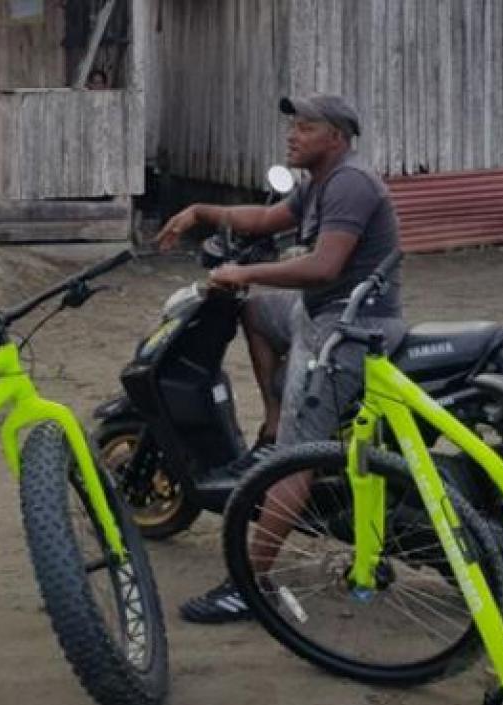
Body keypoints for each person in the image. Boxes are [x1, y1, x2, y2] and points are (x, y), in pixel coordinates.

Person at [156, 94, 406, 623]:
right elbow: (267, 218)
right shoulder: (319, 180)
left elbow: (324, 265)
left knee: (299, 457)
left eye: (306, 127)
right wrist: (202, 212)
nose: (293, 135)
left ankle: (249, 585)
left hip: (349, 328)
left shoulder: (350, 183)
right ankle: (272, 428)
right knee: (257, 311)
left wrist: (244, 274)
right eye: (293, 126)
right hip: (319, 312)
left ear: (336, 137)